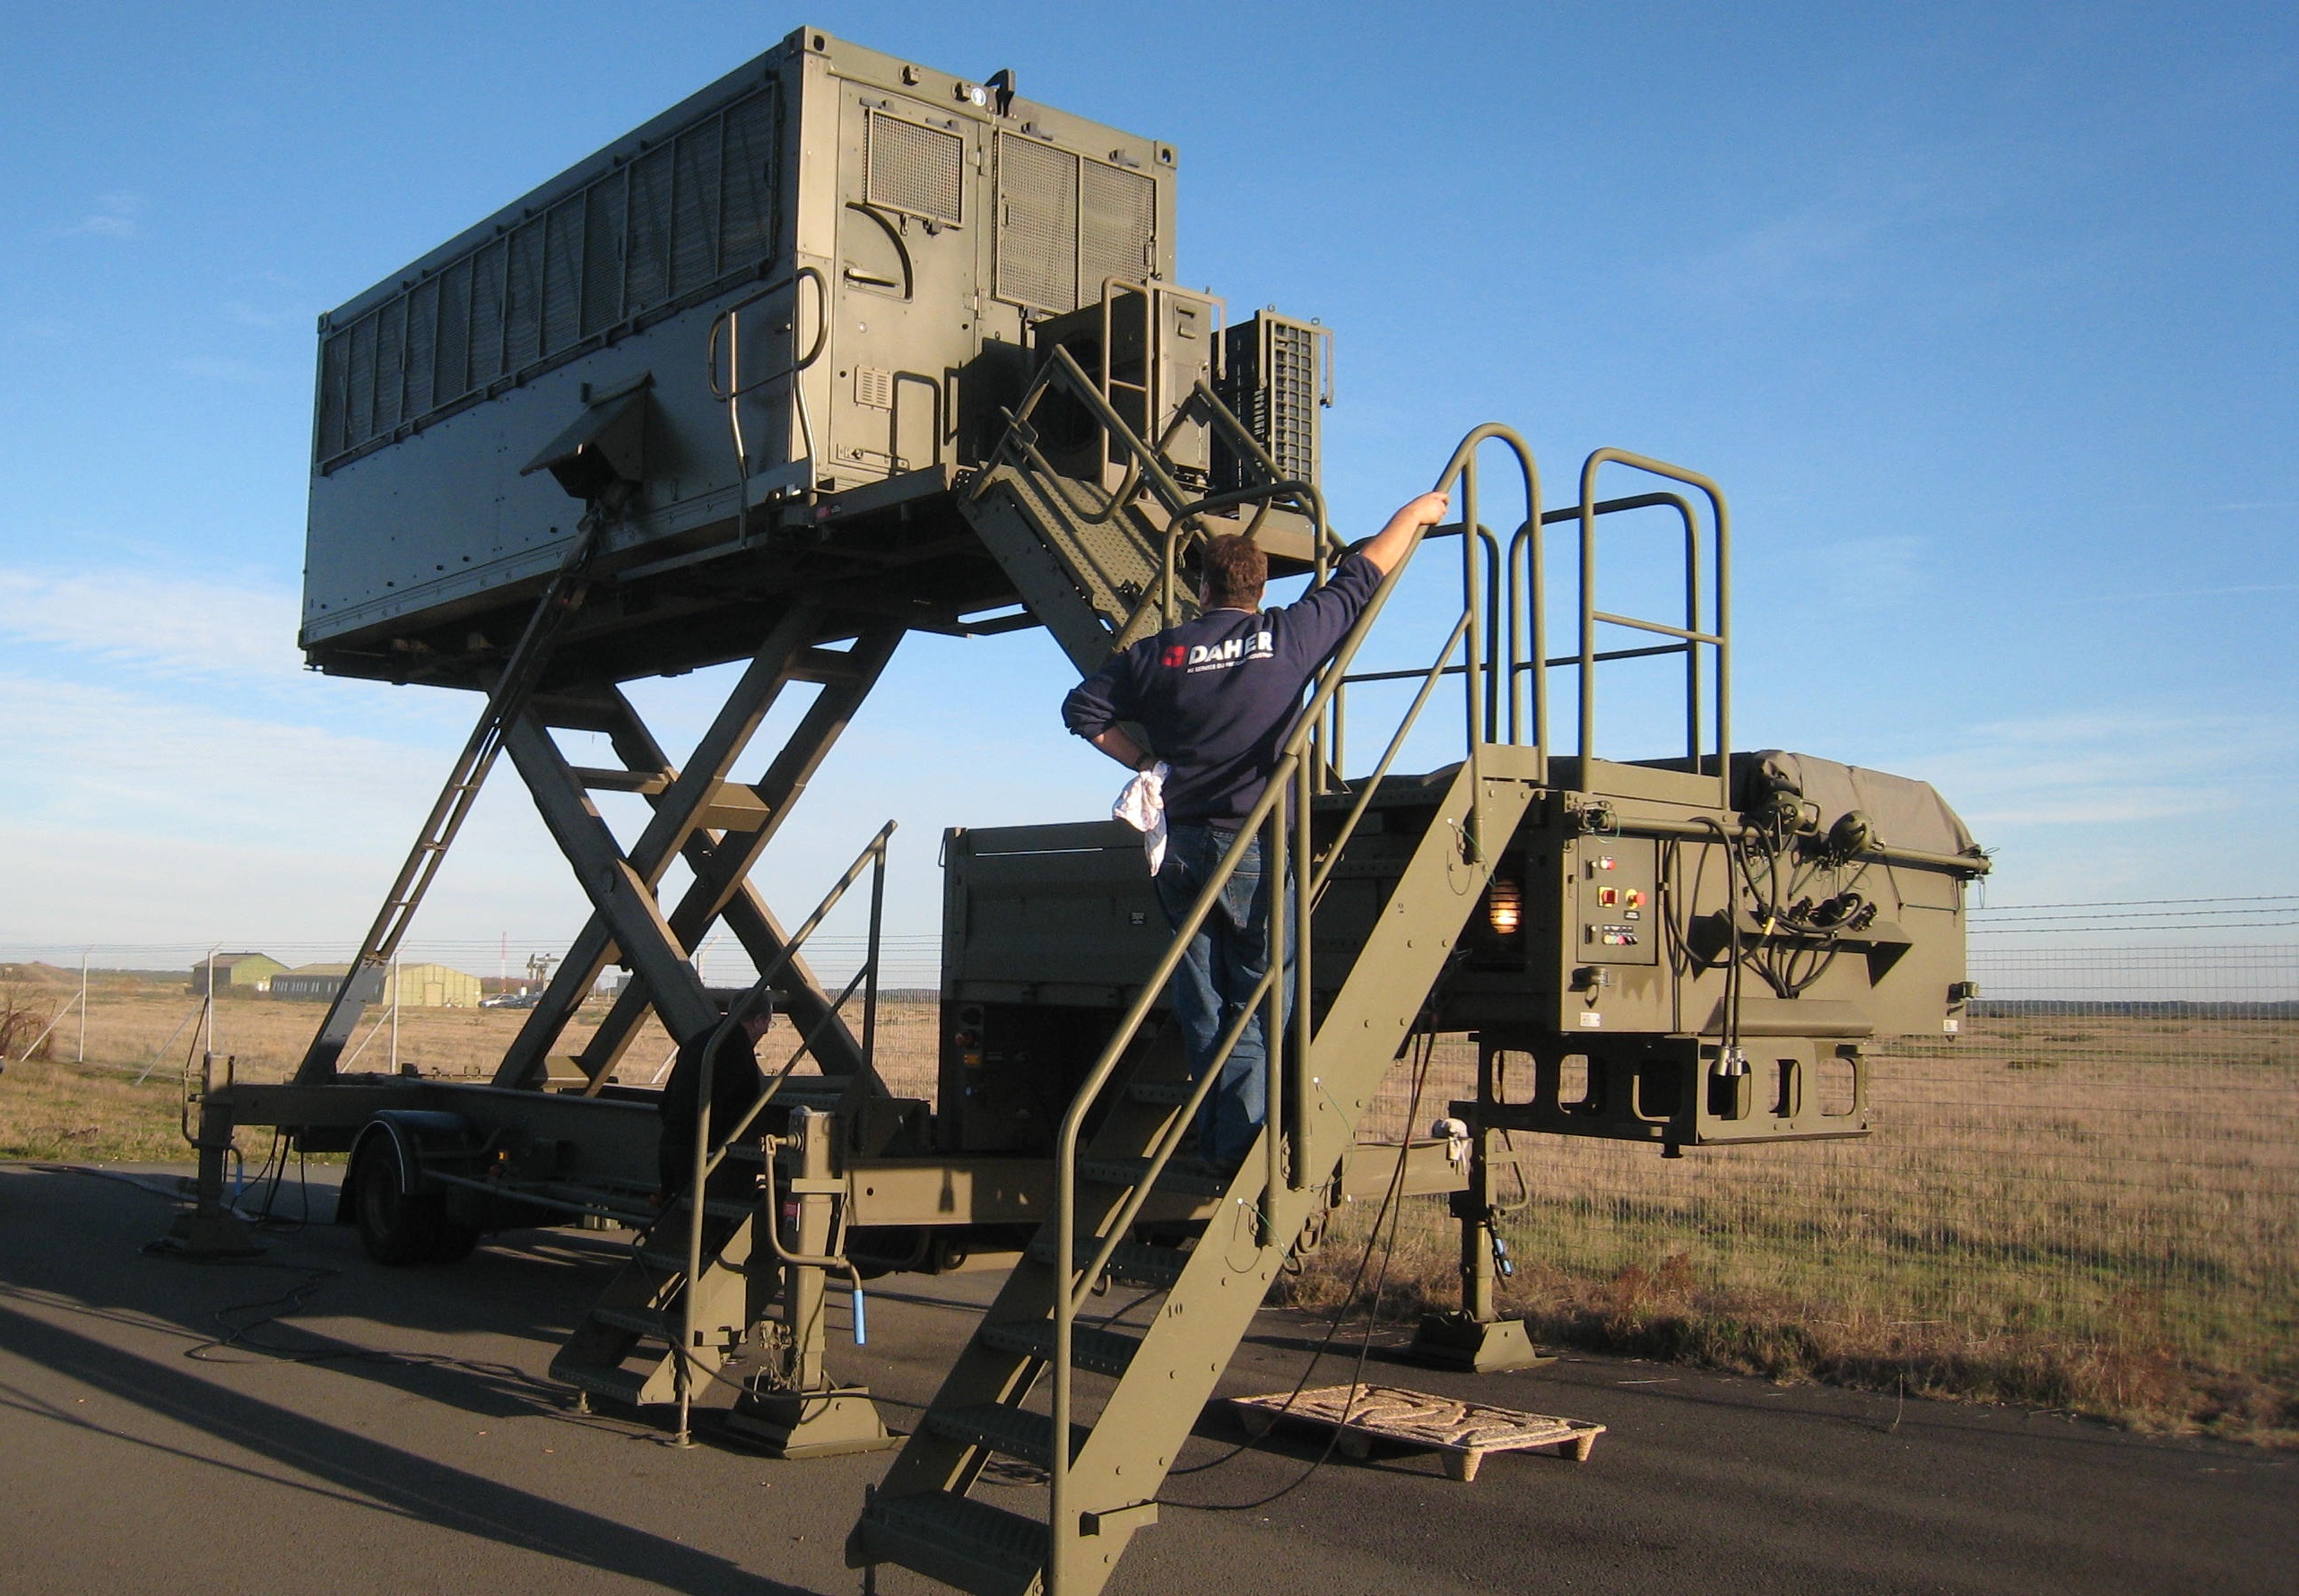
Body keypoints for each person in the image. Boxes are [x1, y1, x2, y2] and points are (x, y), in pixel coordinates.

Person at [1061, 490, 1450, 1170]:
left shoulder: (1161, 654)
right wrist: (1412, 514)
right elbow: (1365, 573)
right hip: (1254, 847)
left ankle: (1216, 1142)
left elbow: (1082, 710)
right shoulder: (1288, 634)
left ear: (1202, 587)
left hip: (1178, 851)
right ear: (1259, 587)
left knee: (1205, 1005)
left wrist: (1148, 761)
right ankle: (1240, 1155)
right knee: (1261, 1002)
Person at [656, 1002, 774, 1202]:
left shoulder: (701, 1040)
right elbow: (739, 1106)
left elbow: (668, 1099)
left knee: (676, 1217)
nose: (766, 1032)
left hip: (673, 1144)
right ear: (757, 1021)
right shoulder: (737, 1050)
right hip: (702, 1153)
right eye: (767, 1024)